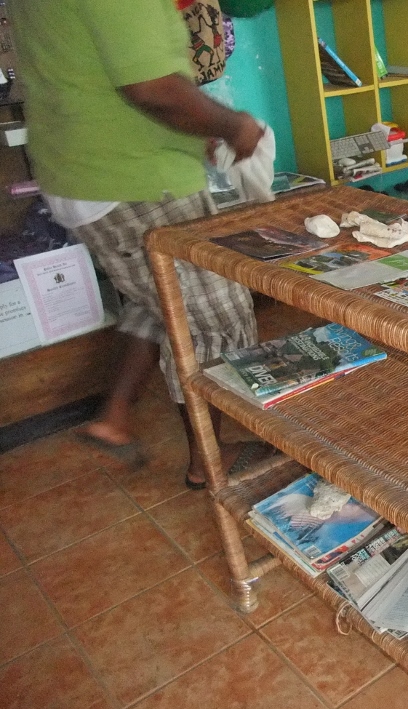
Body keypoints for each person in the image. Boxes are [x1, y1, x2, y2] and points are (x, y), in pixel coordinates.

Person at [11, 0, 274, 489]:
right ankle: (208, 460)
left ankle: (113, 416)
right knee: (217, 316)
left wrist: (196, 134)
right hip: (130, 178)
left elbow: (94, 75)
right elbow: (153, 88)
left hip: (89, 168)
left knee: (157, 296)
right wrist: (234, 126)